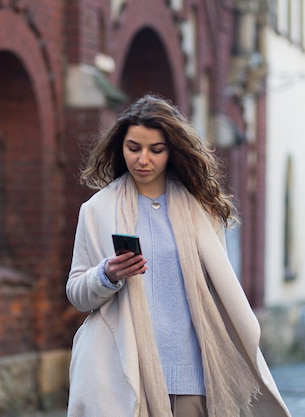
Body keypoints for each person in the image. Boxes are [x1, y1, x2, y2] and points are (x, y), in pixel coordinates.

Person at [66, 94, 291, 417]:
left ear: (172, 150)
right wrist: (107, 275)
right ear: (121, 147)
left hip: (193, 375)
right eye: (134, 148)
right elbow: (76, 292)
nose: (143, 159)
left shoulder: (203, 211)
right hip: (124, 373)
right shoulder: (97, 210)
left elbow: (216, 289)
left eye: (156, 150)